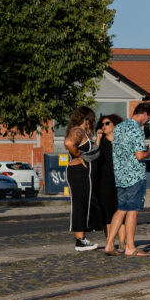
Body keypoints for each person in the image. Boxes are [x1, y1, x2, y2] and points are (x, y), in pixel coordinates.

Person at [106, 102, 150, 256]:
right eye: (149, 118)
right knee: (132, 210)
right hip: (134, 175)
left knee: (121, 209)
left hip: (120, 175)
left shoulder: (119, 127)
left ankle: (109, 244)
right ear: (144, 114)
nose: (147, 121)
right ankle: (130, 247)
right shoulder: (136, 129)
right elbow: (139, 155)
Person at [63, 106, 100, 251]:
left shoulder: (84, 132)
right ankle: (80, 241)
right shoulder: (77, 130)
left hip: (83, 174)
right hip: (78, 173)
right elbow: (68, 144)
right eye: (92, 118)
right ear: (87, 118)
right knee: (79, 205)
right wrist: (79, 156)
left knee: (84, 204)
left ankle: (82, 238)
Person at [90, 115, 120, 251]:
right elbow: (94, 156)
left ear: (115, 125)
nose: (104, 126)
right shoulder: (101, 142)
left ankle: (123, 242)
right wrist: (98, 138)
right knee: (107, 212)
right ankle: (110, 242)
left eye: (107, 123)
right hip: (103, 181)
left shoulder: (120, 140)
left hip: (119, 179)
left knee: (121, 210)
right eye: (102, 124)